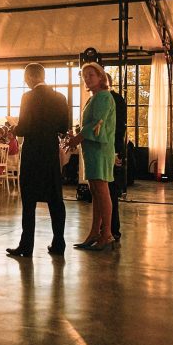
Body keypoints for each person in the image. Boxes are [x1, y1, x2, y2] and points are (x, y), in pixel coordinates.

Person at [7, 63, 70, 257]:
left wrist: (14, 128)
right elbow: (63, 126)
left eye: (26, 78)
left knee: (29, 200)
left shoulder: (28, 97)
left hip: (33, 151)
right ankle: (59, 243)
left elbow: (24, 127)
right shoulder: (60, 97)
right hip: (50, 151)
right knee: (55, 199)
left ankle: (27, 245)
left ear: (30, 77)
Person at [66, 62, 116, 251]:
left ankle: (107, 233)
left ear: (101, 77)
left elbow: (98, 124)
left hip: (100, 149)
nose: (87, 79)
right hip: (92, 148)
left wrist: (77, 138)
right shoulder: (94, 97)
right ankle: (95, 232)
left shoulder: (103, 97)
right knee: (95, 190)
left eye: (91, 75)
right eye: (85, 76)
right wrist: (78, 135)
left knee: (102, 190)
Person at [109, 80, 127, 244]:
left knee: (111, 192)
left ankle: (113, 230)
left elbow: (119, 127)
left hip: (112, 149)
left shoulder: (116, 100)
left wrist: (117, 151)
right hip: (107, 150)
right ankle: (106, 229)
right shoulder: (98, 98)